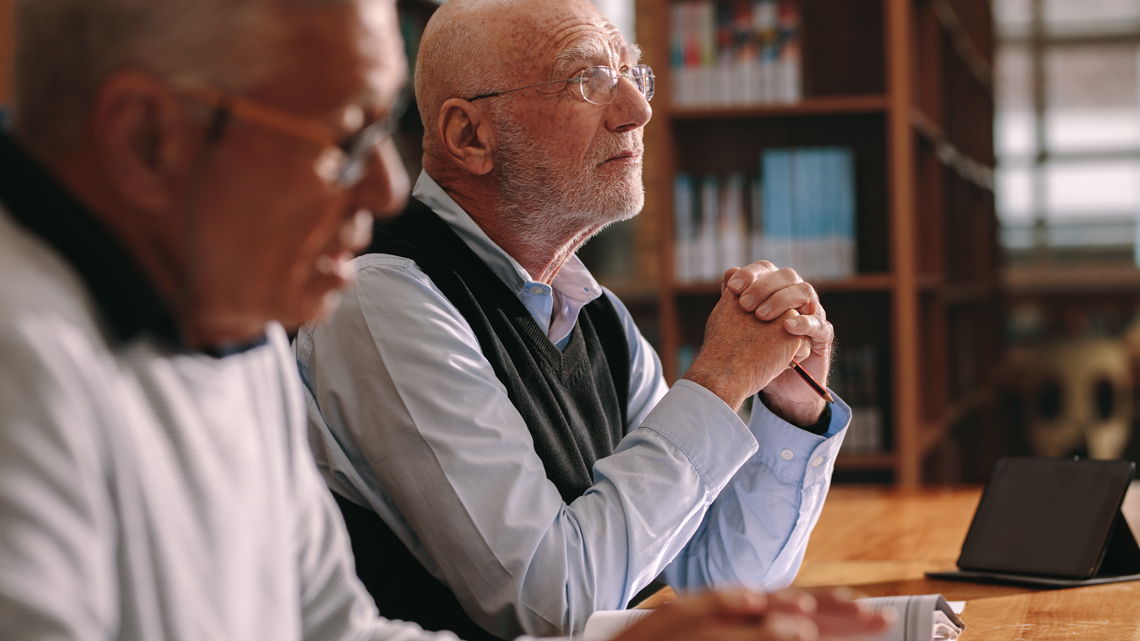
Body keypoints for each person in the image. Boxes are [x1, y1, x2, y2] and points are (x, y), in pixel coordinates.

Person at [0, 0, 890, 640]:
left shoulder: (241, 328)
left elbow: (334, 626)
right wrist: (718, 383)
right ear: (148, 140)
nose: (388, 187)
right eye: (345, 137)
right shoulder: (22, 367)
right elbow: (551, 603)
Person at [296, 0, 853, 639]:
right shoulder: (381, 298)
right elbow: (550, 603)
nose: (638, 111)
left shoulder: (596, 316)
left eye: (633, 75)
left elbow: (724, 576)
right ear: (470, 136)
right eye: (589, 80)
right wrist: (721, 382)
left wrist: (789, 407)